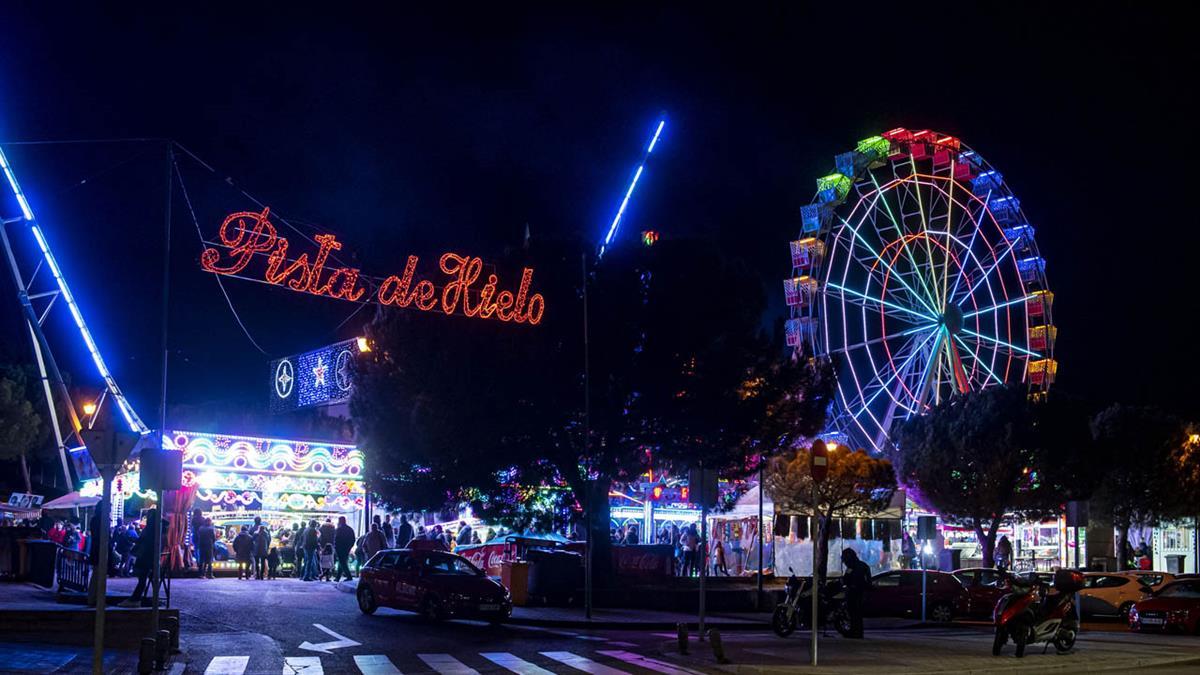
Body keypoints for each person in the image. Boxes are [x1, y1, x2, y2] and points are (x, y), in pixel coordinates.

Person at [120, 510, 160, 607]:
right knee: (145, 578)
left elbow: (143, 540)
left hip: (145, 556)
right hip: (150, 556)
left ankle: (135, 599)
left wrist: (134, 540)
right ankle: (145, 598)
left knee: (142, 578)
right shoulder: (157, 528)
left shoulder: (149, 529)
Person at [841, 548, 872, 638]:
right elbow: (868, 581)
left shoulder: (851, 567)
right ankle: (858, 632)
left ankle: (854, 632)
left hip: (853, 593)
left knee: (853, 613)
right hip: (861, 592)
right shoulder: (864, 565)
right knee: (857, 614)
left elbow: (845, 579)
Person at [334, 516, 355, 581]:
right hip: (346, 548)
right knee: (342, 562)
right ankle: (338, 577)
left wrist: (336, 547)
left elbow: (336, 539)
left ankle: (349, 576)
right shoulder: (349, 529)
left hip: (340, 548)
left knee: (342, 562)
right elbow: (353, 539)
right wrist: (349, 547)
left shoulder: (339, 529)